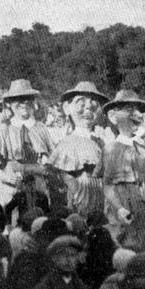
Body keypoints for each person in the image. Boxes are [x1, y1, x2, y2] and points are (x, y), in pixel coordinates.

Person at [102, 90, 145, 252]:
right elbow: (107, 185)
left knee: (142, 241)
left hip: (143, 200)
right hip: (121, 201)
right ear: (114, 117)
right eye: (129, 110)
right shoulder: (111, 149)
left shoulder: (144, 145)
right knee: (123, 243)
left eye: (139, 110)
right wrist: (119, 207)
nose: (137, 114)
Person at [0, 79, 53, 206]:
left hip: (38, 189)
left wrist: (29, 168)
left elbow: (48, 165)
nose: (24, 102)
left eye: (27, 97)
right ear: (9, 103)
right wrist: (8, 178)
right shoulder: (3, 129)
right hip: (11, 191)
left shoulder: (41, 128)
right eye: (18, 98)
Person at [48, 82, 108, 219]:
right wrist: (75, 190)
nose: (88, 108)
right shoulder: (68, 142)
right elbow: (61, 173)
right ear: (67, 108)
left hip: (100, 194)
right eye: (81, 102)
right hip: (81, 194)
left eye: (93, 104)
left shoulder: (100, 141)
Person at [24, 235, 92, 289]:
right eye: (63, 255)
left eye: (72, 255)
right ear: (54, 258)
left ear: (77, 258)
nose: (68, 260)